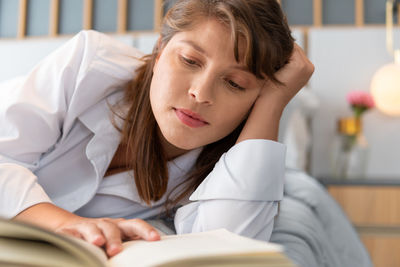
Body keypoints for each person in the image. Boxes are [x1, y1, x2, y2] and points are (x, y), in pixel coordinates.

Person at [0, 0, 313, 258]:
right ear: (160, 50)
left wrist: (274, 100)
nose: (201, 94)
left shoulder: (228, 166)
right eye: (191, 61)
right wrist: (64, 224)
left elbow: (227, 251)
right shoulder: (87, 65)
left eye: (235, 83)